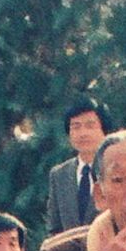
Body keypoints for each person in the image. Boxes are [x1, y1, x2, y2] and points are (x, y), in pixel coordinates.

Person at [41, 100, 107, 236]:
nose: (83, 133)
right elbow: (54, 228)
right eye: (76, 127)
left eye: (90, 126)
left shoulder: (116, 171)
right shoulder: (59, 174)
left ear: (104, 130)